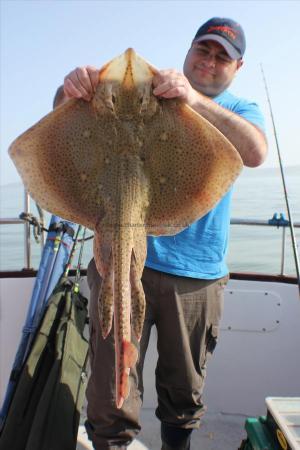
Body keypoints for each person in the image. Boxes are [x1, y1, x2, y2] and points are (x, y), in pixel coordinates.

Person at [54, 17, 267, 450]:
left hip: (196, 274)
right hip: (114, 255)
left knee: (183, 387)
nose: (208, 62)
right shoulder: (152, 94)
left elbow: (255, 151)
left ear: (237, 67)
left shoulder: (235, 110)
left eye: (220, 57)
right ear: (188, 52)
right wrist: (70, 88)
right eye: (202, 51)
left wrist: (193, 101)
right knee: (111, 383)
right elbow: (63, 120)